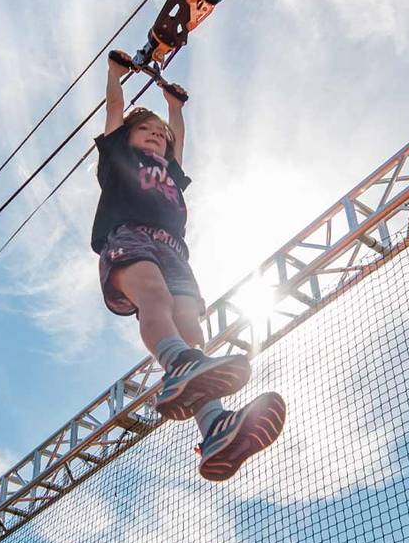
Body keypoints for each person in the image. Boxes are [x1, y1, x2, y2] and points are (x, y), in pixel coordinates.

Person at [95, 50, 285, 480]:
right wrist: (115, 76)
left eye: (160, 135)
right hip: (128, 236)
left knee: (191, 327)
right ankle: (178, 363)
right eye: (145, 131)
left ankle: (215, 427)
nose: (156, 137)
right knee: (155, 299)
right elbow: (114, 112)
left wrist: (174, 109)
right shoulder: (117, 159)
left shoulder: (170, 168)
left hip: (174, 250)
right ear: (126, 137)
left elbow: (178, 140)